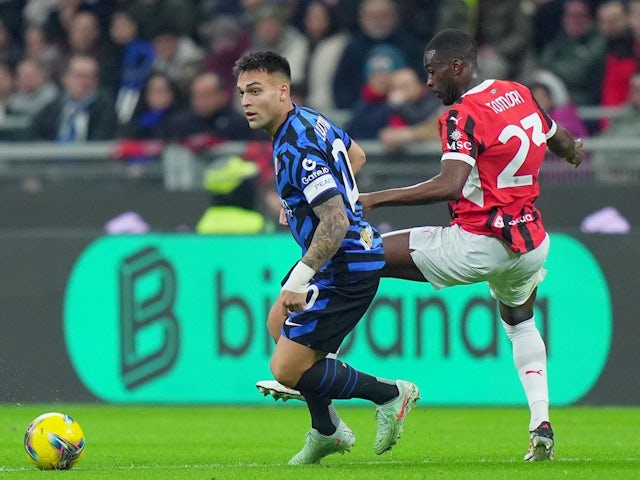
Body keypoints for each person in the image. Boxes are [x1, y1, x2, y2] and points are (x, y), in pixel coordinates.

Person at [258, 29, 584, 463]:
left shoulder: (462, 115)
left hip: (476, 242)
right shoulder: (518, 93)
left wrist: (375, 198)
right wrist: (575, 152)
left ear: (457, 67)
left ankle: (320, 367)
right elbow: (560, 138)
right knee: (520, 324)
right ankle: (540, 422)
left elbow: (450, 185)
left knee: (360, 255)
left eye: (432, 73)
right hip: (529, 244)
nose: (428, 83)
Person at [233, 50, 419, 465]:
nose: (246, 101)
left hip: (346, 263)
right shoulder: (308, 119)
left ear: (283, 91)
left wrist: (301, 278)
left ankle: (389, 394)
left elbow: (333, 221)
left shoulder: (295, 145)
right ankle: (326, 429)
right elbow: (356, 156)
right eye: (243, 92)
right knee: (277, 323)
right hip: (348, 255)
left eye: (256, 91)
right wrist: (298, 200)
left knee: (287, 370)